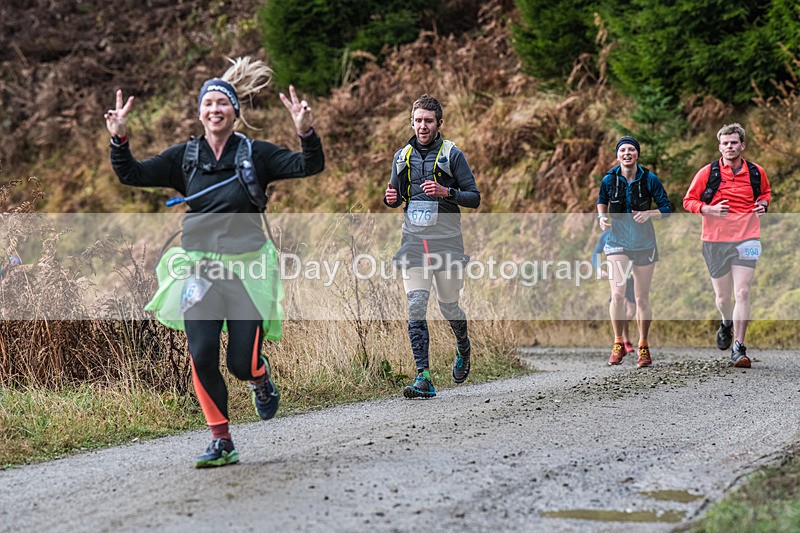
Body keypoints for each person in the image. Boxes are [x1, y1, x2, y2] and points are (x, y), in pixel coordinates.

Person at [104, 57, 324, 467]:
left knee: (240, 363)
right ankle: (221, 441)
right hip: (199, 271)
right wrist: (119, 140)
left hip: (247, 271)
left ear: (235, 113)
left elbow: (309, 165)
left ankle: (260, 378)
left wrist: (305, 131)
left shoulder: (255, 154)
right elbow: (132, 174)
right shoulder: (184, 158)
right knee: (201, 354)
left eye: (223, 103)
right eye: (208, 104)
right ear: (200, 112)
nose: (215, 110)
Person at [384, 94, 480, 398]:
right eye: (418, 121)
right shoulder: (402, 157)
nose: (423, 126)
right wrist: (390, 200)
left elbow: (474, 197)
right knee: (415, 306)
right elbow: (396, 195)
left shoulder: (453, 155)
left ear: (439, 123)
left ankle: (463, 345)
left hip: (448, 242)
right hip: (413, 241)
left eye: (428, 121)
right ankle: (423, 376)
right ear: (411, 122)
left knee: (448, 305)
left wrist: (445, 191)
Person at [683, 123, 770, 368]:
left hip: (748, 237)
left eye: (734, 142)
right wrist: (708, 208)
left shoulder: (756, 172)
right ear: (719, 146)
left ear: (742, 145)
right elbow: (688, 201)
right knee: (723, 298)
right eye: (725, 143)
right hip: (715, 240)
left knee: (742, 292)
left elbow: (765, 192)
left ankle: (739, 348)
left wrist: (763, 204)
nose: (729, 147)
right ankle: (725, 322)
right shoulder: (707, 173)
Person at [597, 136, 671, 367]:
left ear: (637, 154)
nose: (627, 153)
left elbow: (667, 209)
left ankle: (643, 345)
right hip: (617, 241)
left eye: (631, 150)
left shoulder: (649, 179)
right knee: (617, 295)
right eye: (623, 150)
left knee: (641, 298)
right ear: (617, 155)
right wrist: (601, 216)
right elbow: (602, 200)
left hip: (644, 244)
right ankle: (618, 342)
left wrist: (650, 214)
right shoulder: (609, 179)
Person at [592, 230, 637, 356]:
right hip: (617, 277)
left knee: (631, 311)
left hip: (632, 278)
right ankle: (624, 341)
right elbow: (596, 253)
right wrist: (599, 269)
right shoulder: (607, 234)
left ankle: (620, 331)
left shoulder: (635, 229)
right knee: (619, 304)